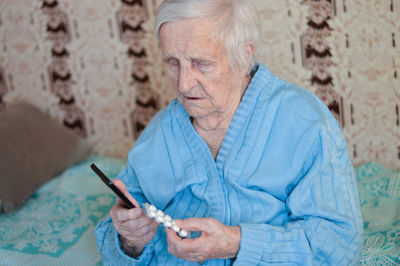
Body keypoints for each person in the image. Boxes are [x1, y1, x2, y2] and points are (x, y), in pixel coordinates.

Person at [95, 0, 363, 264]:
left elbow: (339, 243)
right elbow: (114, 245)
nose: (184, 84)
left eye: (201, 62)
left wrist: (237, 243)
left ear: (244, 55)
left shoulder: (305, 123)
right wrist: (131, 240)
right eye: (173, 62)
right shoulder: (162, 132)